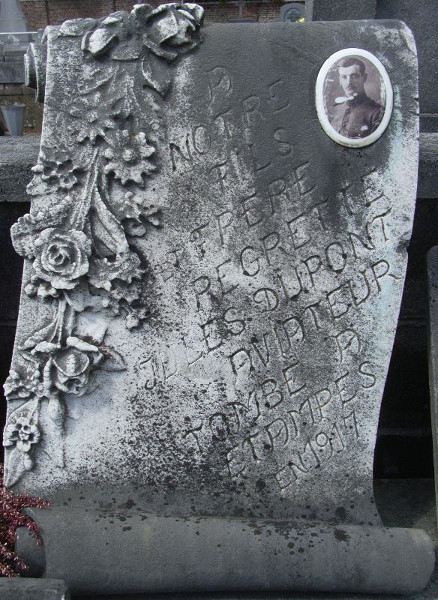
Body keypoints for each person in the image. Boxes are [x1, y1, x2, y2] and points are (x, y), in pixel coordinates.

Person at [329, 57, 383, 139]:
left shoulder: (377, 113)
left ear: (364, 78)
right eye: (344, 77)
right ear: (340, 80)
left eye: (354, 76)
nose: (348, 82)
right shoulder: (334, 110)